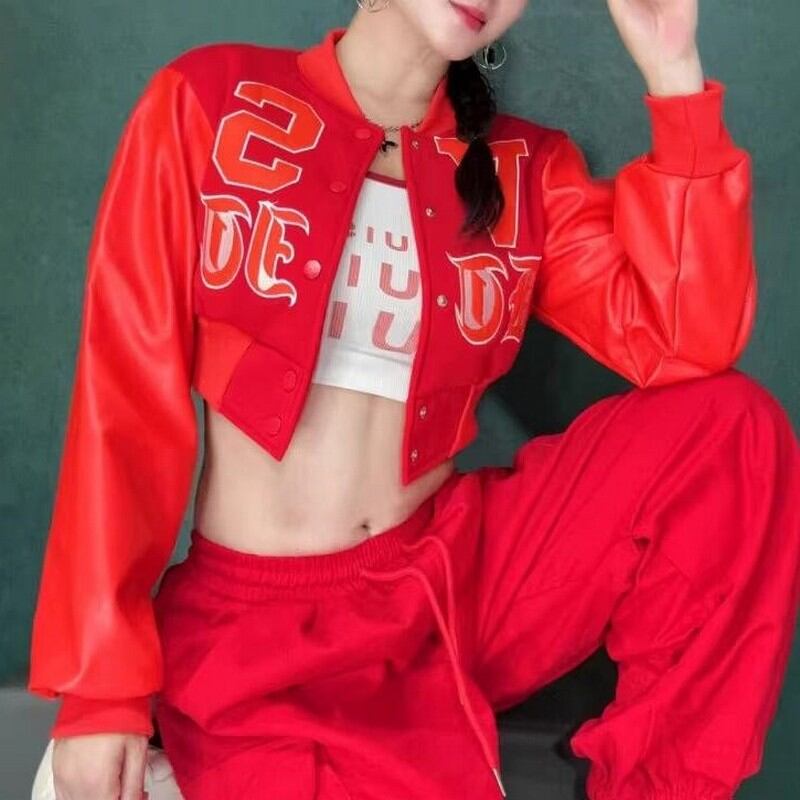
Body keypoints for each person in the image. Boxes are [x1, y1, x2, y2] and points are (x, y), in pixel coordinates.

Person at [27, 0, 800, 798]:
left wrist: (674, 75)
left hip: (445, 585)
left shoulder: (524, 167)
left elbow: (687, 341)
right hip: (257, 625)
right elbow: (124, 403)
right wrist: (102, 692)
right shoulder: (209, 99)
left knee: (732, 431)